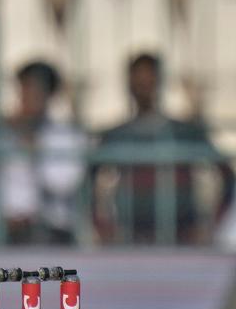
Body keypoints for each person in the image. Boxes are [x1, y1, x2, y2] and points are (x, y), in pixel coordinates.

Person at [93, 53, 235, 245]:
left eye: (149, 80)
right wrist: (103, 228)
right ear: (129, 85)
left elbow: (227, 176)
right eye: (139, 81)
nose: (144, 87)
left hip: (182, 237)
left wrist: (210, 226)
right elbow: (87, 180)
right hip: (132, 238)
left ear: (159, 82)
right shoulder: (118, 135)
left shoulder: (184, 132)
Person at [0, 60, 87, 244]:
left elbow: (63, 183)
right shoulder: (3, 134)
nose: (29, 96)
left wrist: (35, 150)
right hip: (7, 233)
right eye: (25, 89)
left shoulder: (64, 134)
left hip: (52, 232)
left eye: (36, 91)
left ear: (49, 95)